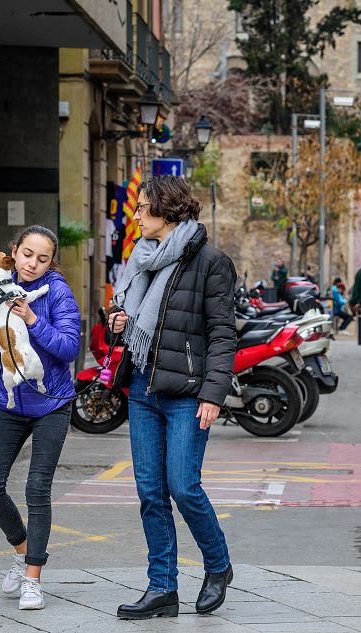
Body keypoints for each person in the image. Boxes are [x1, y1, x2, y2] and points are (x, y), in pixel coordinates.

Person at [108, 175, 236, 619]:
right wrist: (118, 323)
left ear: (168, 210)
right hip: (143, 387)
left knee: (183, 486)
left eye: (142, 208)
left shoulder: (210, 262)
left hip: (186, 393)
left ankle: (218, 566)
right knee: (150, 494)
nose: (136, 215)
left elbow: (223, 334)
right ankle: (162, 587)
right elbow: (125, 320)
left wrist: (214, 394)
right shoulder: (139, 258)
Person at [0, 226, 81, 610]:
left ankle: (33, 578)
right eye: (27, 254)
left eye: (43, 258)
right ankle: (22, 550)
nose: (33, 264)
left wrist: (33, 318)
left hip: (52, 403)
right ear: (13, 252)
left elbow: (69, 348)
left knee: (37, 488)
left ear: (52, 262)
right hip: (13, 404)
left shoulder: (56, 292)